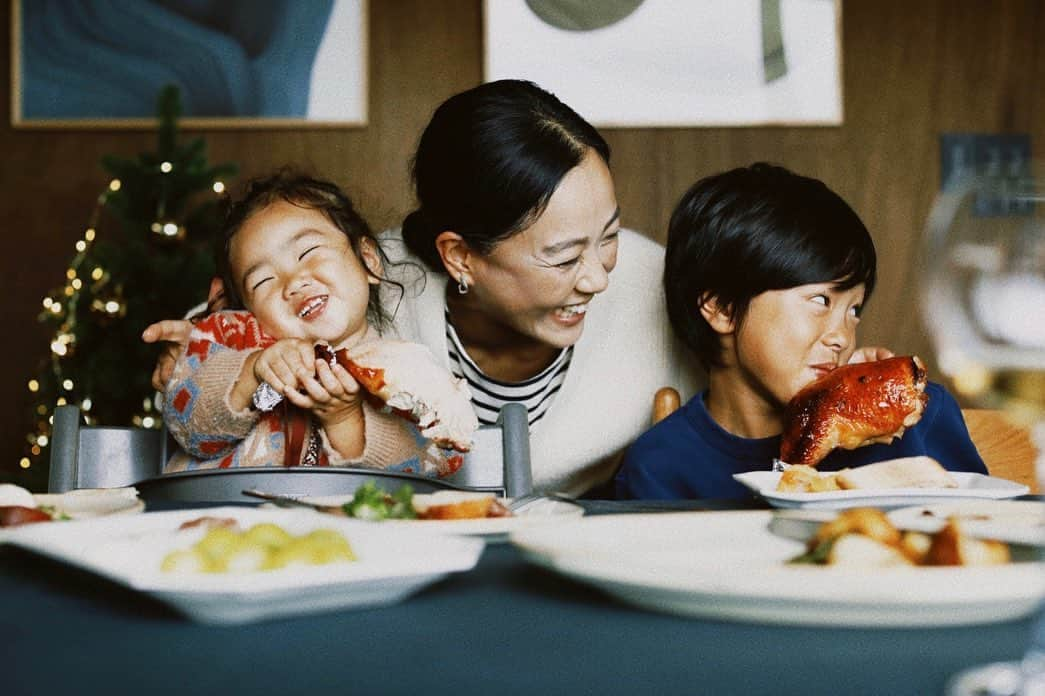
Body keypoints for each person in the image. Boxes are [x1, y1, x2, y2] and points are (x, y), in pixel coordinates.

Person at [146, 81, 886, 496]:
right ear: (458, 256)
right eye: (564, 256)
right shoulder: (381, 280)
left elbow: (771, 348)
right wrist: (209, 335)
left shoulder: (656, 286)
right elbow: (275, 293)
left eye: (608, 234)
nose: (599, 274)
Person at [615, 163, 988, 500]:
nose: (841, 336)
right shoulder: (660, 466)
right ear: (722, 308)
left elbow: (982, 542)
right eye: (821, 301)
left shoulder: (919, 419)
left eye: (854, 309)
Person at [162, 171, 463, 475]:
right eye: (263, 280)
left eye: (308, 253)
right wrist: (252, 371)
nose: (292, 283)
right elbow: (187, 428)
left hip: (340, 522)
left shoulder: (403, 372)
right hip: (224, 517)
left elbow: (436, 464)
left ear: (369, 261)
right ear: (248, 308)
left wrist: (345, 420)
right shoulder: (231, 339)